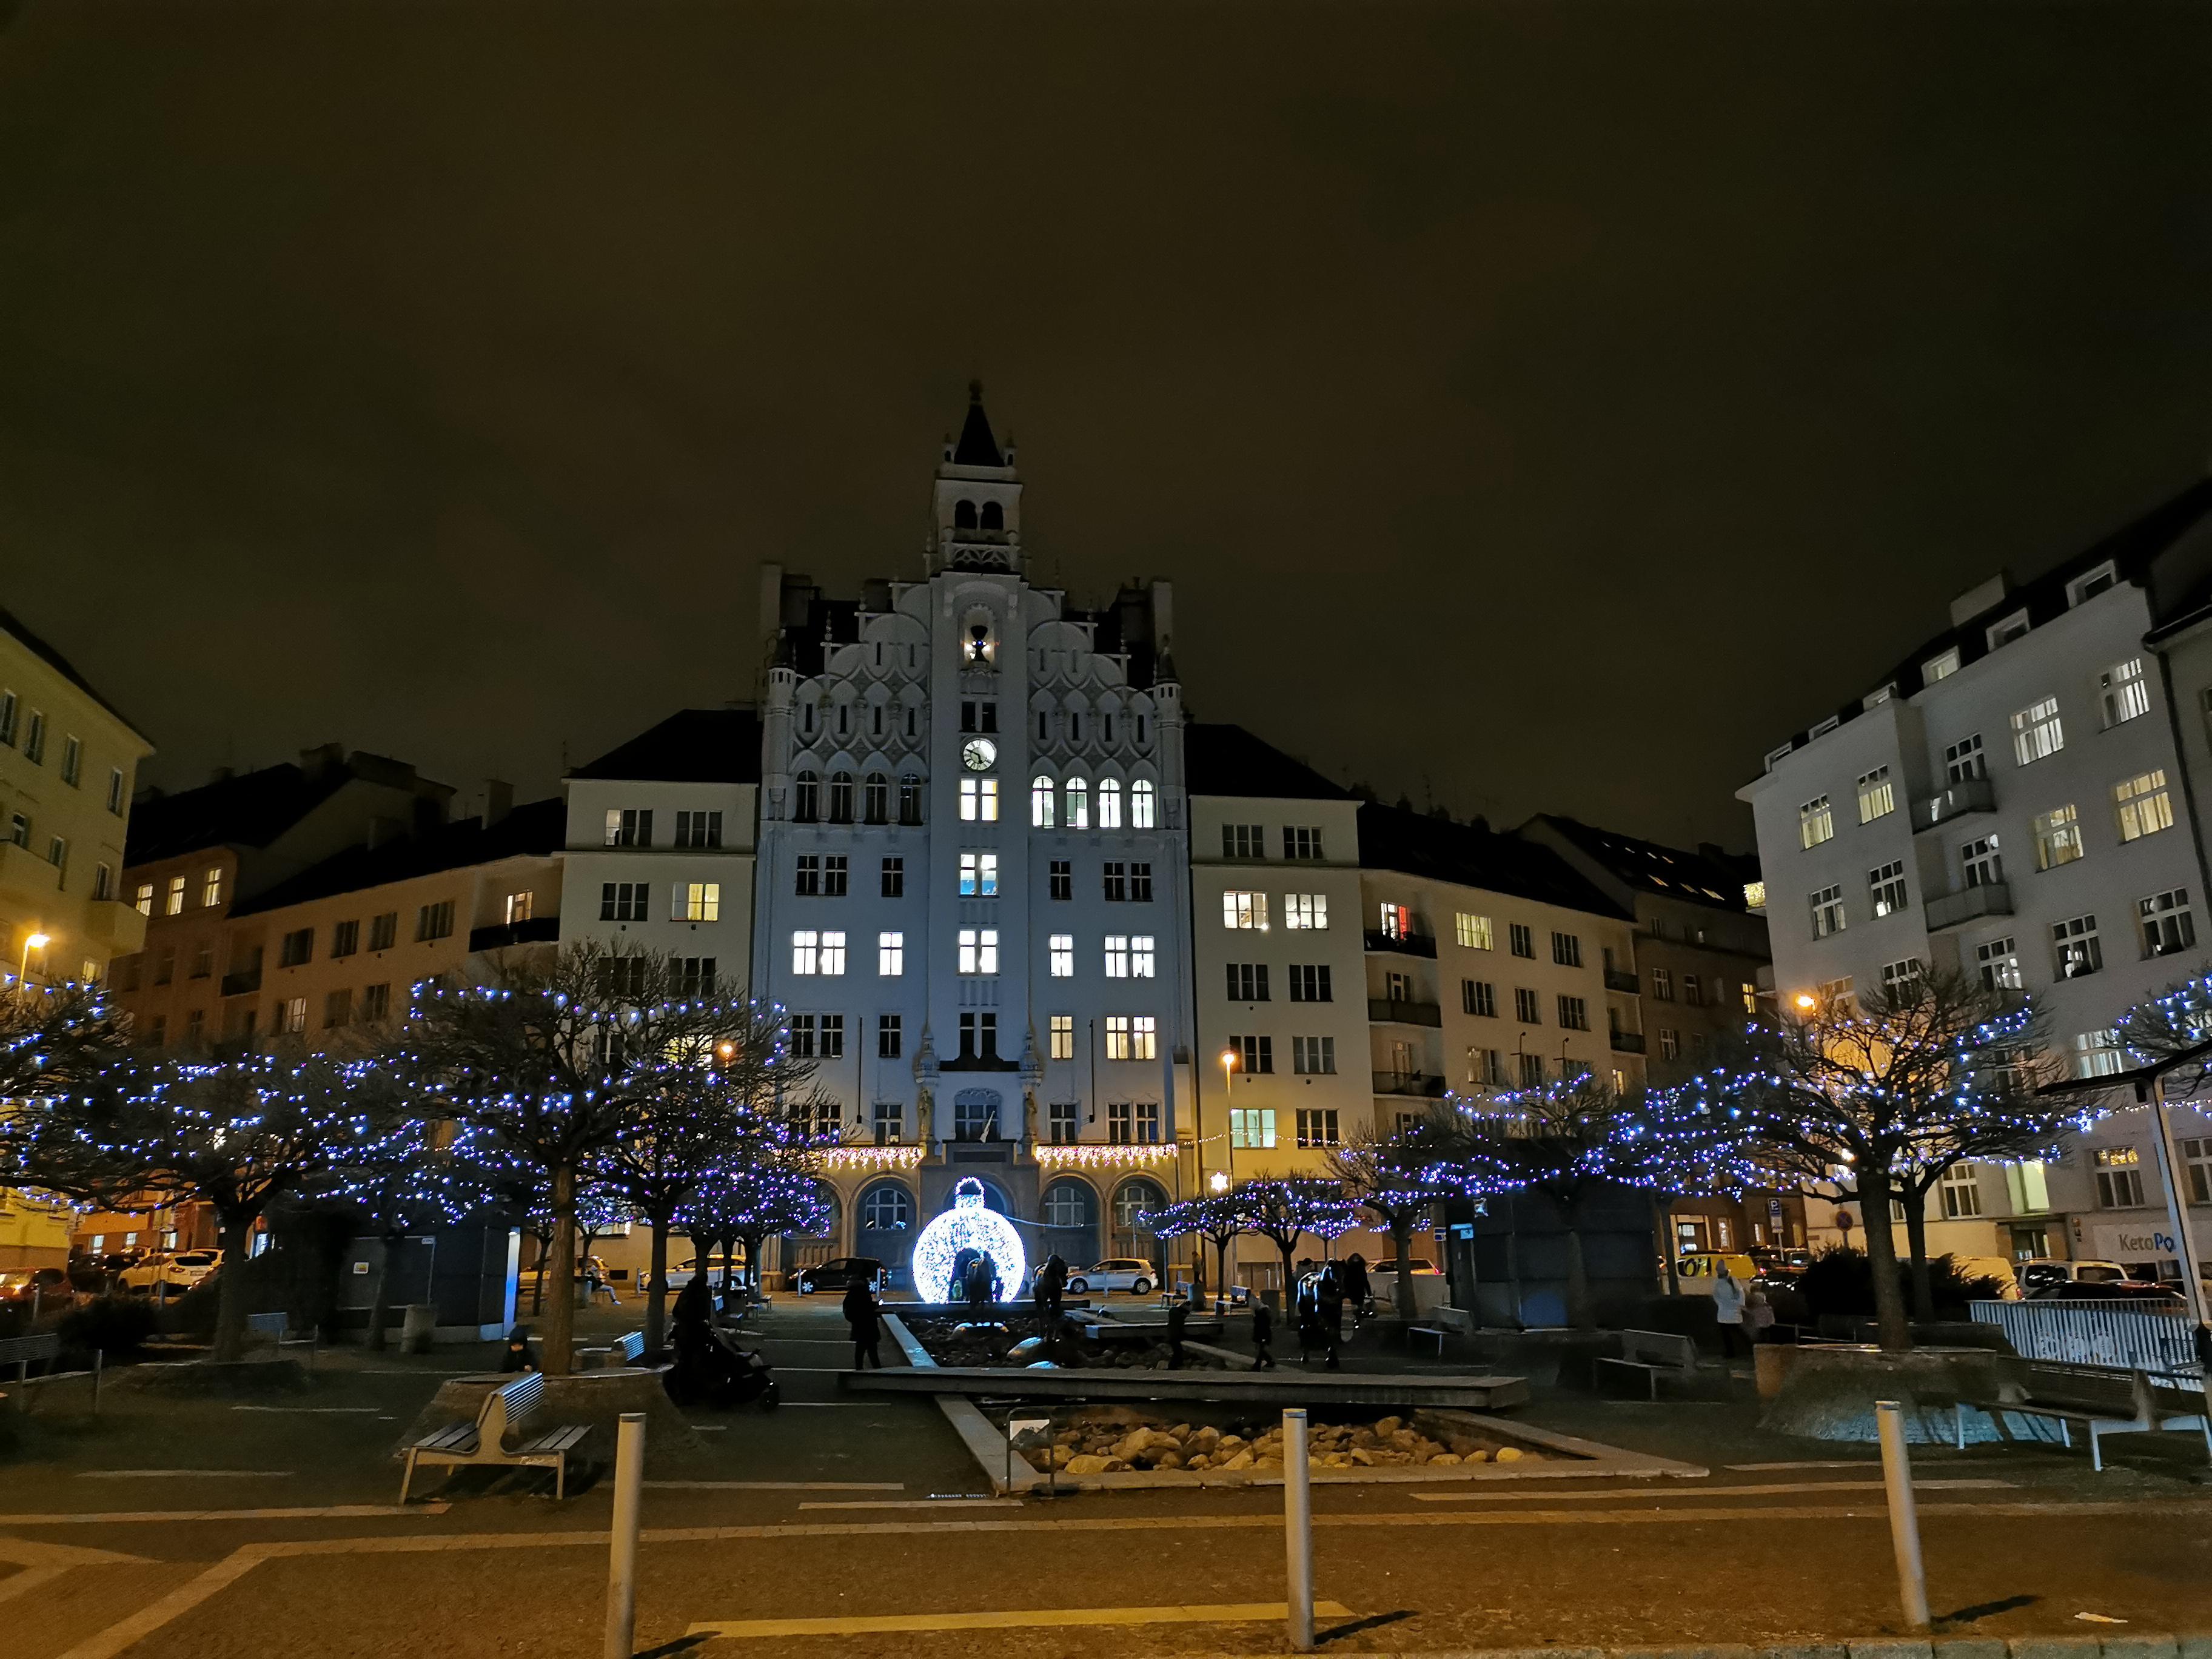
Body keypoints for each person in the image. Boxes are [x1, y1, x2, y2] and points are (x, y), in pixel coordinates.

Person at [843, 1274, 882, 1370]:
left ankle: (859, 1368)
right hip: (868, 1325)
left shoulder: (852, 1293)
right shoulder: (863, 1292)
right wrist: (875, 1306)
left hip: (859, 1325)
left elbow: (849, 1310)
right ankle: (877, 1370)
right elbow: (866, 1308)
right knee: (872, 1351)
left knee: (860, 1350)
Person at [1712, 1265, 1748, 1361]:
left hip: (1727, 1312)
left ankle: (1732, 1352)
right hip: (1729, 1312)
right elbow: (1740, 1295)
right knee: (1735, 1332)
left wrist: (1722, 1304)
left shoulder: (1727, 1282)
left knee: (1730, 1333)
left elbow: (1716, 1296)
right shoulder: (1730, 1282)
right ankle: (1743, 1349)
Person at [1315, 1266, 1345, 1370]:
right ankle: (1332, 1356)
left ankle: (1331, 1356)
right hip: (1331, 1312)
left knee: (1329, 1334)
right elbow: (1339, 1295)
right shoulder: (1332, 1285)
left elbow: (1320, 1298)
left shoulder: (1321, 1285)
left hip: (1326, 1312)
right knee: (1332, 1334)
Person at [1343, 1253, 1372, 1322]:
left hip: (1353, 1290)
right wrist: (1369, 1292)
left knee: (1355, 1305)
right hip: (1359, 1290)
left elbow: (1345, 1280)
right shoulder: (1361, 1268)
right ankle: (1359, 1319)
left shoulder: (1349, 1268)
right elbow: (1365, 1281)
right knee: (1359, 1305)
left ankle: (1357, 1318)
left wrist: (1345, 1291)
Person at [1250, 1296, 1276, 1369]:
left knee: (1261, 1350)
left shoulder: (1261, 1312)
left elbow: (1262, 1325)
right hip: (1262, 1333)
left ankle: (1258, 1365)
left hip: (1263, 1333)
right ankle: (1268, 1362)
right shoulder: (1261, 1311)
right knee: (1261, 1350)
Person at [1166, 1296, 1188, 1369]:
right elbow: (1180, 1326)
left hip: (1172, 1334)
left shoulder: (1174, 1312)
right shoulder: (1178, 1315)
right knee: (1177, 1351)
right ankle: (1173, 1366)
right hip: (1176, 1335)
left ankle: (1177, 1364)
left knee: (1177, 1351)